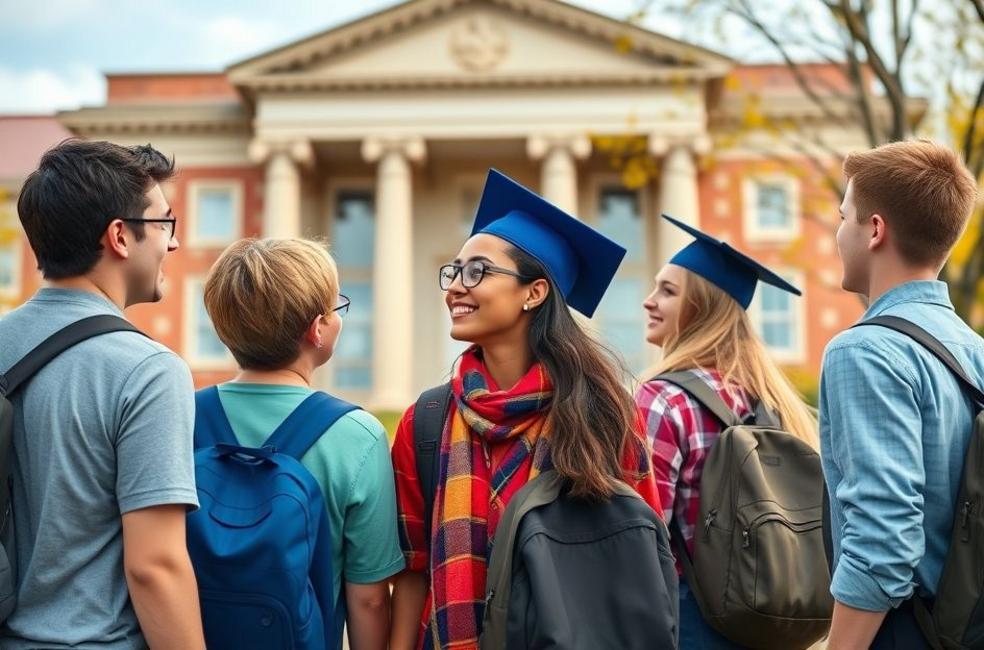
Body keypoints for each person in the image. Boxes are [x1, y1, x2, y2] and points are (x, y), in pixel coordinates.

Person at [388, 170, 662, 650]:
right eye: (453, 271)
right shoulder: (426, 421)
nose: (454, 286)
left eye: (477, 271)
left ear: (533, 293)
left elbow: (640, 552)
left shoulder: (602, 414)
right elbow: (412, 572)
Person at [0, 140, 204, 649]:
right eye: (164, 224)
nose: (173, 244)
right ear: (120, 236)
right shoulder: (147, 371)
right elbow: (155, 566)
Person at [201, 237, 404, 650]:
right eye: (336, 307)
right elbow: (367, 598)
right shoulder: (357, 435)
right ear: (317, 330)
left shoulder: (180, 416)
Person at [820, 140, 982, 649]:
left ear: (874, 230)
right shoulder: (974, 349)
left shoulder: (864, 351)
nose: (837, 233)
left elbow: (883, 539)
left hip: (902, 630)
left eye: (844, 216)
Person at [636, 214, 818, 649]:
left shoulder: (662, 400)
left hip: (688, 621)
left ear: (701, 307)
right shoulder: (777, 406)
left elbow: (642, 536)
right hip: (770, 622)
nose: (648, 301)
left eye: (667, 291)